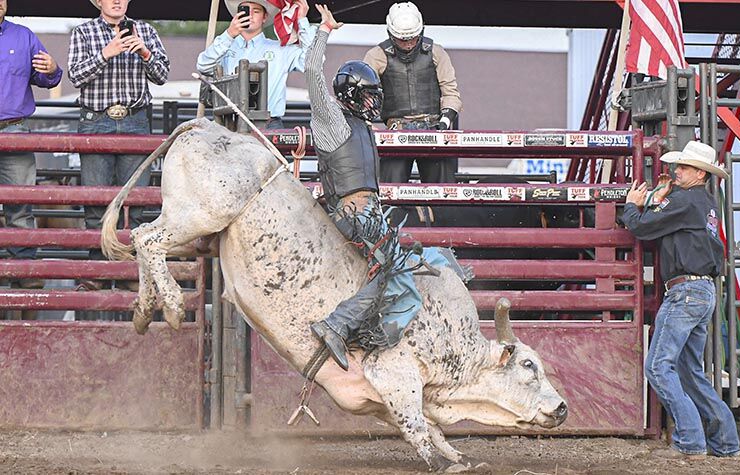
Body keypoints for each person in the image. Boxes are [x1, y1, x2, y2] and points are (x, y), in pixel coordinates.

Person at [303, 4, 462, 372]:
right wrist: (323, 31)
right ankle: (342, 326)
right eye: (370, 94)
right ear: (354, 94)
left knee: (417, 262)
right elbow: (312, 71)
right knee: (392, 268)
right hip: (352, 212)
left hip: (367, 212)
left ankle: (379, 331)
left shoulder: (362, 126)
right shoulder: (331, 118)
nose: (377, 100)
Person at [622, 141, 740, 458]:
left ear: (700, 173)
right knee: (690, 371)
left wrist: (632, 205)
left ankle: (690, 440)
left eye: (684, 167)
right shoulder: (707, 204)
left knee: (659, 368)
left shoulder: (685, 201)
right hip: (703, 292)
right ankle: (725, 442)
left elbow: (643, 227)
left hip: (685, 292)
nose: (677, 171)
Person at [68, 0, 169, 289]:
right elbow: (75, 76)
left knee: (135, 203)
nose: (116, 1)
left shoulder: (146, 31)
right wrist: (106, 53)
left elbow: (162, 76)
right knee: (95, 199)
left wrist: (145, 53)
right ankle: (99, 270)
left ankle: (129, 272)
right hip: (96, 119)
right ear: (98, 1)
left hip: (135, 119)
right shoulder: (83, 32)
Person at [0, 0, 62, 293]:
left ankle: (24, 269)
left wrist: (52, 69)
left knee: (20, 203)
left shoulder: (24, 37)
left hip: (15, 130)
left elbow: (47, 77)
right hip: (15, 131)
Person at [363, 1, 462, 184]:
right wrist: (367, 123)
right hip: (395, 130)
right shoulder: (376, 56)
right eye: (402, 39)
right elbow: (363, 94)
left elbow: (451, 93)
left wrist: (444, 121)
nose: (408, 44)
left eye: (413, 38)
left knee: (442, 191)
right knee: (390, 190)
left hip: (433, 127)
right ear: (391, 34)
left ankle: (440, 214)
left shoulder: (437, 53)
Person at [196, 0, 315, 130]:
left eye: (256, 11)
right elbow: (203, 66)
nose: (250, 15)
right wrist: (229, 34)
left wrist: (302, 20)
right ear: (237, 15)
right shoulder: (223, 46)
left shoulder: (280, 49)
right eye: (245, 10)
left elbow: (312, 63)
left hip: (268, 124)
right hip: (229, 123)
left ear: (265, 17)